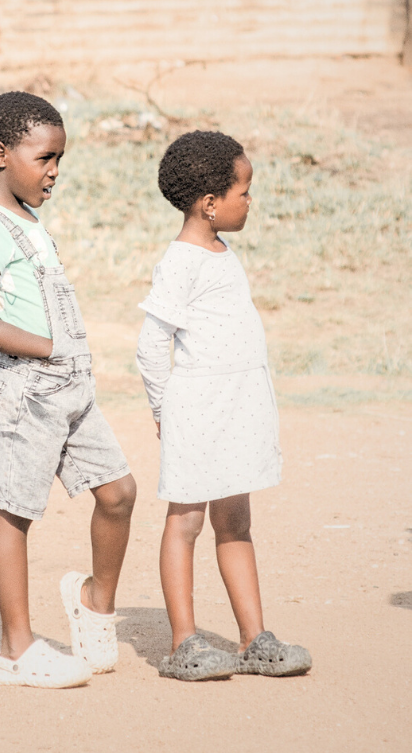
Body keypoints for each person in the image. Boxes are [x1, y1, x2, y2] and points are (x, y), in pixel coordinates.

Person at [0, 92, 137, 688]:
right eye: (45, 158)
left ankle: (93, 602)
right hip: (25, 389)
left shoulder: (28, 221)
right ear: (0, 154)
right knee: (15, 513)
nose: (55, 171)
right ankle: (14, 651)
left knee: (119, 492)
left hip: (69, 388)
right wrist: (50, 349)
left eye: (59, 158)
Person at [135, 130, 312, 681]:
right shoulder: (181, 261)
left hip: (238, 410)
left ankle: (254, 639)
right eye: (244, 191)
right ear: (210, 203)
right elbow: (150, 345)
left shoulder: (222, 251)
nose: (250, 200)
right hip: (198, 411)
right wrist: (164, 411)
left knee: (235, 522)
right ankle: (183, 644)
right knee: (185, 522)